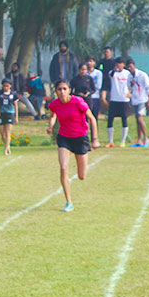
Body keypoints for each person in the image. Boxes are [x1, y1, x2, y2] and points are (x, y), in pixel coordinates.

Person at [46, 78, 98, 212]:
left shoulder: (78, 102)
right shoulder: (54, 104)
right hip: (64, 138)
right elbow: (53, 116)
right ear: (56, 91)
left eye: (64, 89)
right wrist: (51, 126)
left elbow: (91, 118)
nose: (62, 92)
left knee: (82, 176)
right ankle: (68, 202)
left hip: (80, 138)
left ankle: (80, 172)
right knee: (63, 167)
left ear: (69, 90)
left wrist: (95, 139)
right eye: (59, 89)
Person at [125, 58, 149, 148]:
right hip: (135, 99)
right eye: (128, 67)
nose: (130, 68)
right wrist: (131, 86)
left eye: (131, 66)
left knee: (140, 118)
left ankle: (146, 137)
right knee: (137, 119)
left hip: (143, 99)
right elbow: (129, 87)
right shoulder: (129, 76)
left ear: (134, 65)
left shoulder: (142, 75)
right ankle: (139, 139)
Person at [105, 57, 131, 147]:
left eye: (120, 63)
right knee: (110, 119)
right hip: (114, 99)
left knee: (124, 119)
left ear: (124, 64)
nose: (118, 65)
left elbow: (133, 83)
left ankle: (122, 141)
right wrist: (114, 70)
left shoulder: (127, 73)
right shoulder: (112, 73)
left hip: (124, 100)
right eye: (117, 63)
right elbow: (110, 75)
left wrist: (131, 92)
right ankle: (110, 141)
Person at [0, 78, 21, 156]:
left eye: (7, 86)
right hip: (1, 114)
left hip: (10, 113)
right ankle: (7, 145)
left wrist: (16, 117)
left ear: (10, 86)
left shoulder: (14, 94)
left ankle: (6, 149)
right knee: (3, 134)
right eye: (4, 86)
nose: (6, 87)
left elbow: (16, 106)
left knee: (8, 132)